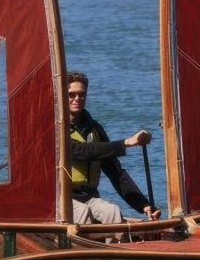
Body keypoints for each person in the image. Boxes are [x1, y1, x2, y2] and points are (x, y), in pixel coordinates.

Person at [66, 71, 161, 225]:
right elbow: (82, 151)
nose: (77, 99)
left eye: (81, 94)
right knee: (83, 213)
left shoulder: (94, 129)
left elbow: (115, 172)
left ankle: (116, 247)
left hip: (89, 196)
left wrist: (143, 204)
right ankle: (88, 248)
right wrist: (126, 143)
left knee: (112, 211)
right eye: (71, 94)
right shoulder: (55, 128)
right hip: (62, 200)